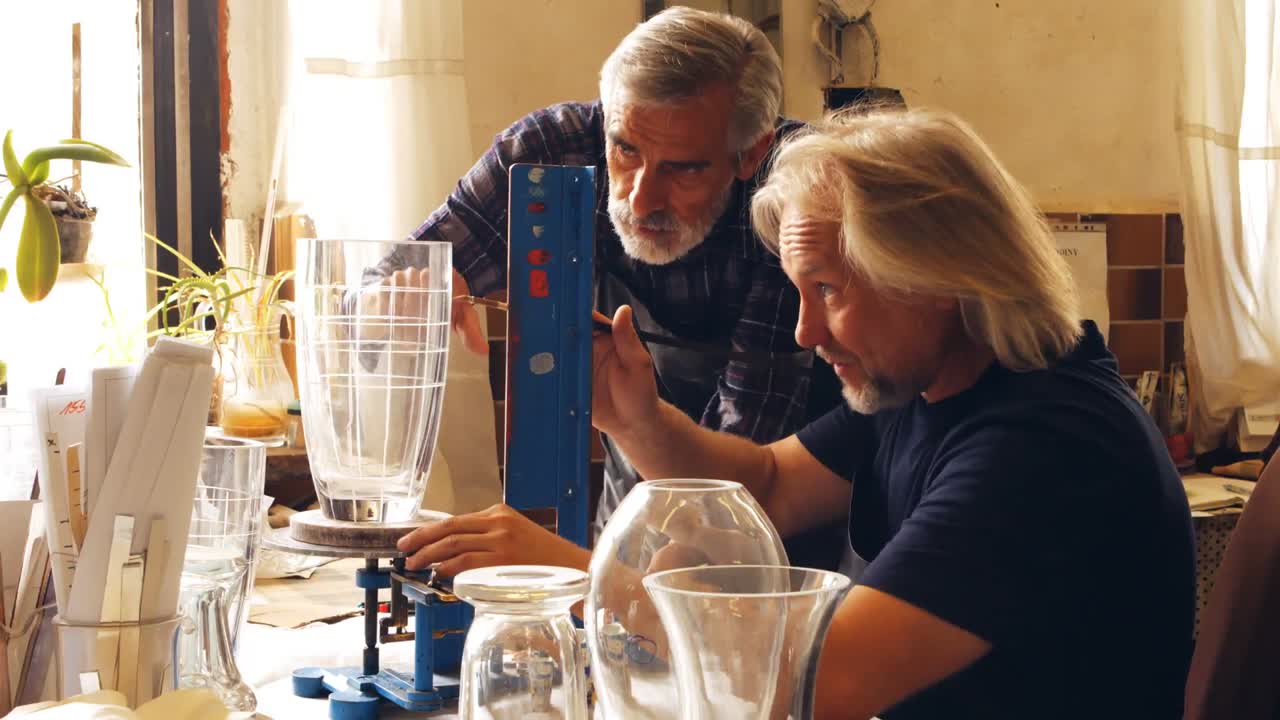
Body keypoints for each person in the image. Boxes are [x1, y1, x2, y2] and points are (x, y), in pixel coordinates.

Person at [587, 107, 1196, 719]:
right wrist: (636, 418)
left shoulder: (1045, 448)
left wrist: (596, 587)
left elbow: (811, 684)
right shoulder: (927, 386)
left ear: (936, 274)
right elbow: (765, 488)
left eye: (826, 288)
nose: (805, 331)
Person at [392, 6, 841, 573]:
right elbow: (377, 295)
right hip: (635, 487)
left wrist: (572, 571)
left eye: (684, 170)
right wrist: (401, 304)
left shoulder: (796, 197)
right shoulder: (554, 153)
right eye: (626, 150)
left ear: (751, 152)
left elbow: (731, 507)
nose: (640, 198)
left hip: (784, 531)